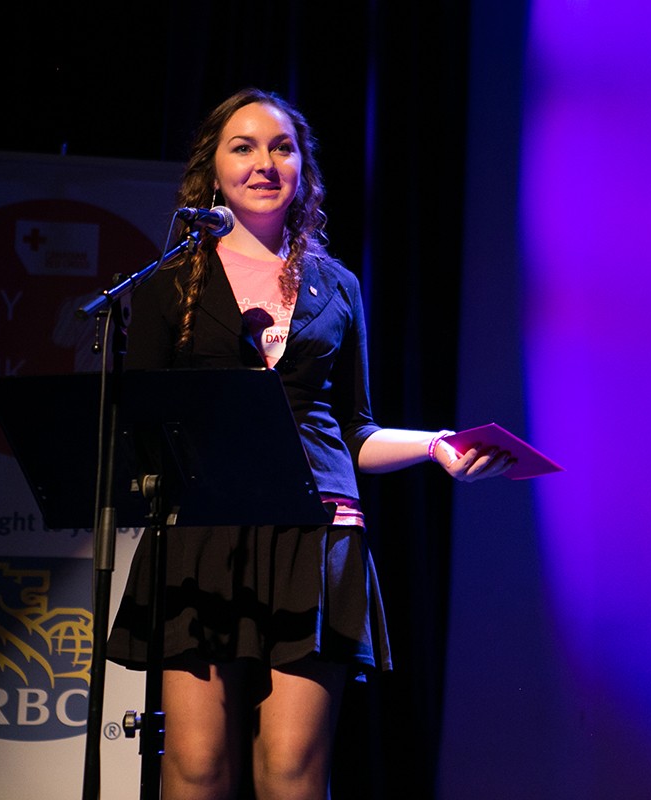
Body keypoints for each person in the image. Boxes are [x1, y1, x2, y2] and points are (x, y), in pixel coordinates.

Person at [106, 87, 513, 800]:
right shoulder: (169, 284)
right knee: (197, 766)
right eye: (244, 146)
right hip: (204, 533)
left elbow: (354, 429)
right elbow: (144, 418)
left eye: (281, 147)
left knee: (291, 769)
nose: (265, 162)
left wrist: (437, 447)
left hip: (317, 534)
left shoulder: (338, 286)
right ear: (212, 170)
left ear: (304, 169)